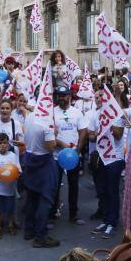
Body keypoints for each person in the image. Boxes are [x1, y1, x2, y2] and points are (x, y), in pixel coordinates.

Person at [22, 109, 59, 248]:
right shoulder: (47, 122)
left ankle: (29, 229)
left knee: (32, 197)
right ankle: (41, 236)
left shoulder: (30, 116)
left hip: (30, 159)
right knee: (46, 199)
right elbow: (50, 147)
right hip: (43, 162)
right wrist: (55, 133)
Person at [52, 86, 88, 225]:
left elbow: (83, 132)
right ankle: (53, 213)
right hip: (56, 156)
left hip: (73, 156)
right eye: (59, 95)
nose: (61, 97)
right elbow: (50, 134)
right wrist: (61, 144)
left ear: (70, 96)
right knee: (55, 186)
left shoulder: (77, 112)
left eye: (64, 95)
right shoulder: (52, 113)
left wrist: (77, 151)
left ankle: (73, 214)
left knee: (74, 185)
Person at [89, 117, 125, 239]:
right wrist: (95, 134)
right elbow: (91, 137)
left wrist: (108, 124)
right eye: (97, 96)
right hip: (101, 158)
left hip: (115, 159)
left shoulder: (117, 116)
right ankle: (105, 220)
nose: (99, 98)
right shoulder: (96, 115)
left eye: (101, 96)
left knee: (112, 191)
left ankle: (112, 223)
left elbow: (118, 135)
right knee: (102, 191)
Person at [0, 132, 22, 238]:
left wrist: (17, 175)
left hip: (9, 188)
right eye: (0, 143)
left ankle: (10, 225)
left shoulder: (13, 156)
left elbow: (19, 169)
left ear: (8, 144)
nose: (3, 145)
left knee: (10, 208)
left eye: (5, 143)